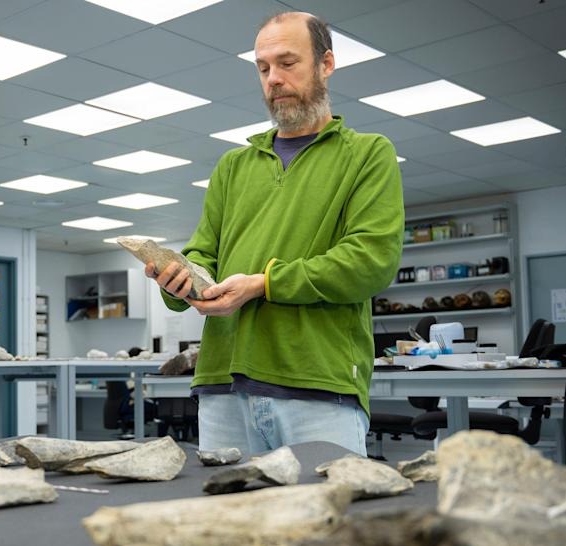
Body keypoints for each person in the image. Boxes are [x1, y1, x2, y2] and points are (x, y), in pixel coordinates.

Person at [145, 11, 404, 456]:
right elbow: (203, 253)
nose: (273, 79)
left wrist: (263, 284)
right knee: (225, 505)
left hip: (316, 387)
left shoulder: (368, 155)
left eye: (287, 63)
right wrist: (180, 280)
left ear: (326, 64)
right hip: (222, 387)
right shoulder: (233, 167)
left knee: (325, 504)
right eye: (263, 68)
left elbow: (370, 261)